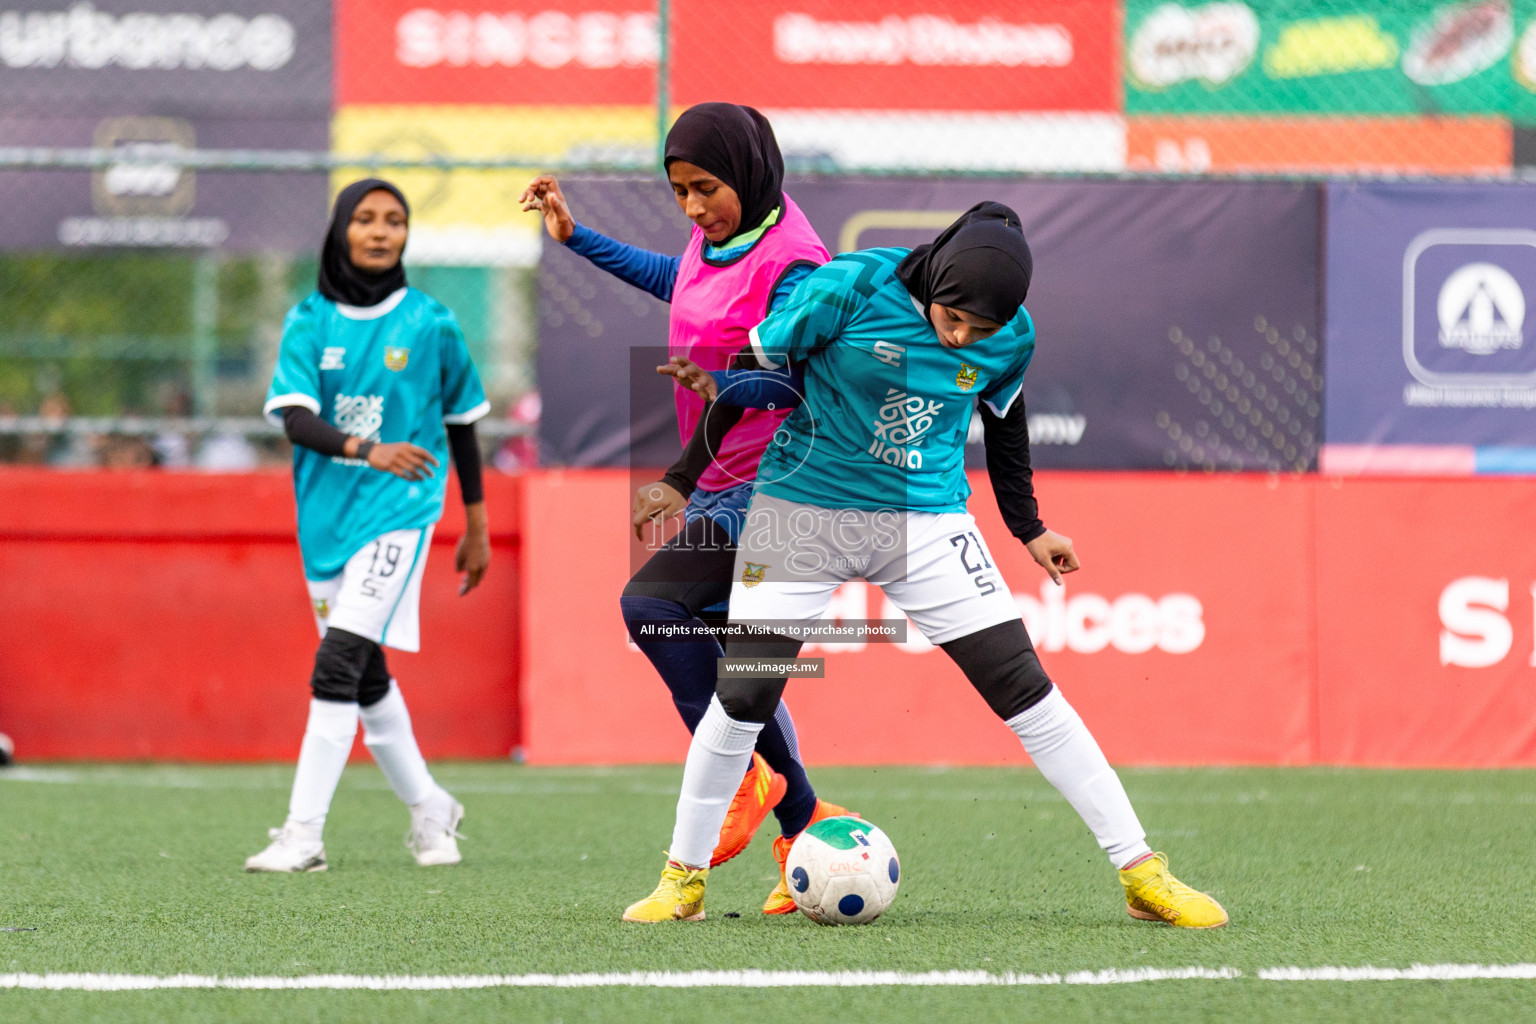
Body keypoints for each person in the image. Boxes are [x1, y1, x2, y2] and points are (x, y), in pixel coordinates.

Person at [625, 202, 1228, 928]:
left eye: (983, 328)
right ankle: (681, 881)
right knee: (745, 696)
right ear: (938, 274)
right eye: (956, 317)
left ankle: (1141, 871)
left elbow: (1005, 425)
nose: (965, 335)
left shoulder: (1013, 338)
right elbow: (753, 382)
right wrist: (685, 478)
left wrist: (1028, 528)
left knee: (1027, 690)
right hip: (801, 511)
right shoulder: (848, 287)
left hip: (927, 521)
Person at [520, 103, 850, 916]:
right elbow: (680, 281)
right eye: (680, 193)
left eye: (707, 189)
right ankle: (805, 823)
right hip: (722, 483)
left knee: (652, 604)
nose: (695, 210)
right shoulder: (720, 241)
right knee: (740, 665)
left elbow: (758, 381)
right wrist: (576, 238)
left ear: (750, 170)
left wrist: (676, 475)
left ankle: (744, 779)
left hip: (776, 485)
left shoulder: (796, 266)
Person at [246, 179, 491, 873]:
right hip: (327, 520)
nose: (381, 232)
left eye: (394, 221)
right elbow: (295, 418)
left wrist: (476, 524)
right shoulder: (308, 320)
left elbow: (462, 426)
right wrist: (364, 450)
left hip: (401, 512)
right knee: (366, 674)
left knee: (335, 665)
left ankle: (303, 837)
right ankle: (430, 807)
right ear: (341, 230)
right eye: (366, 219)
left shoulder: (432, 323)